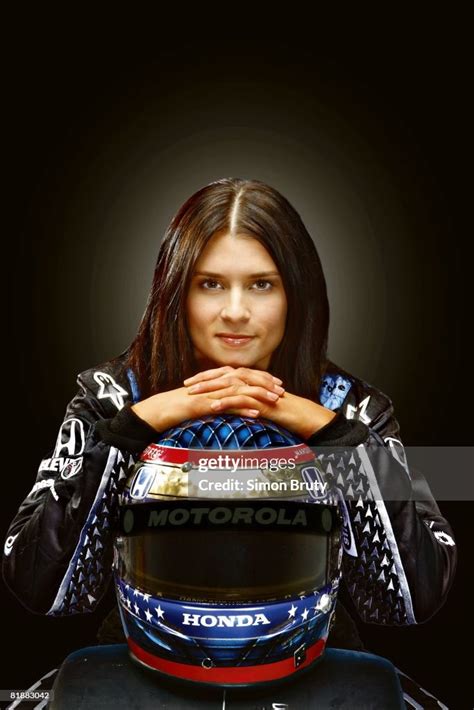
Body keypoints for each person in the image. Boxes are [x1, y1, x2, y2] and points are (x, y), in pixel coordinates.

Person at [3, 178, 456, 705]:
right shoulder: (110, 396)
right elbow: (35, 584)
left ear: (296, 294)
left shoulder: (352, 407)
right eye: (210, 284)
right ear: (175, 292)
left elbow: (413, 600)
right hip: (140, 670)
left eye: (261, 284)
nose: (235, 311)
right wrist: (138, 424)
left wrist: (330, 434)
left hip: (314, 672)